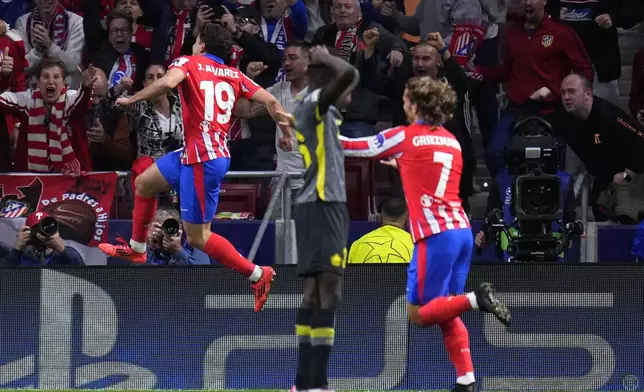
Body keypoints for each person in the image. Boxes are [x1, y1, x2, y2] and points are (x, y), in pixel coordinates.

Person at [98, 24, 292, 312]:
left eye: (195, 41)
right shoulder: (234, 74)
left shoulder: (187, 62)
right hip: (194, 153)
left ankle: (257, 274)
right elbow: (273, 101)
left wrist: (132, 98)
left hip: (203, 160)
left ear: (201, 45)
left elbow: (166, 84)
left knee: (199, 237)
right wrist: (286, 134)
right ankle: (137, 250)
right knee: (144, 184)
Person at [338, 76, 511, 392]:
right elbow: (429, 173)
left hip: (435, 236)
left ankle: (477, 298)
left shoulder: (406, 136)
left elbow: (354, 147)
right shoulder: (452, 142)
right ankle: (466, 379)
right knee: (446, 310)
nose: (403, 104)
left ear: (415, 104)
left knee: (418, 315)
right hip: (461, 231)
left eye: (405, 98)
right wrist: (402, 165)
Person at [276, 45, 359, 392]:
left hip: (311, 203)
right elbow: (351, 74)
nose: (350, 94)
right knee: (330, 289)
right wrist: (323, 57)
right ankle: (318, 384)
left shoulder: (313, 108)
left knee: (313, 291)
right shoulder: (315, 102)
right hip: (325, 204)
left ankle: (304, 383)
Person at [546, 73, 644, 221]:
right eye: (563, 92)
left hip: (631, 175)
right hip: (603, 178)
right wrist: (533, 99)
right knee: (600, 213)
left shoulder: (608, 115)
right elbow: (536, 120)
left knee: (626, 213)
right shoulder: (564, 118)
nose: (566, 97)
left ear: (588, 93)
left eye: (572, 92)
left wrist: (626, 173)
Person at [347, 197, 414, 263]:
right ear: (407, 221)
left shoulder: (359, 244)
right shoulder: (415, 246)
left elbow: (350, 272)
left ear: (380, 218)